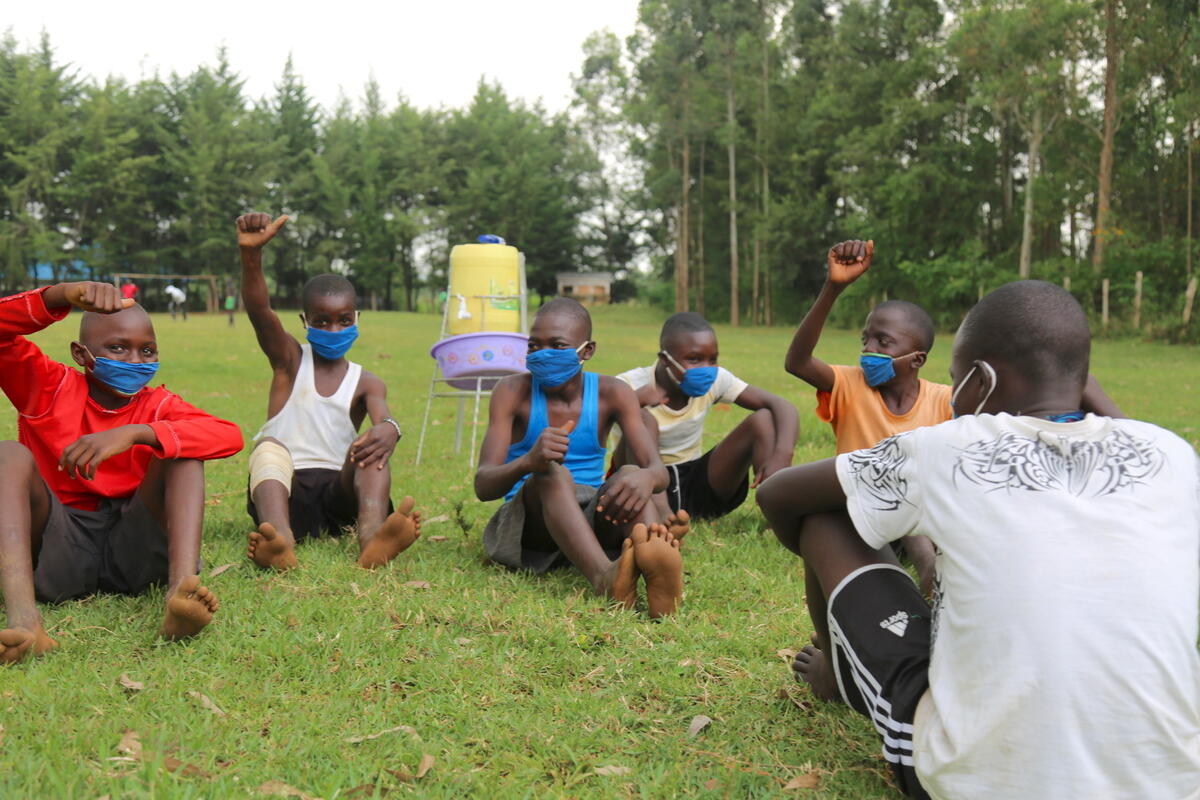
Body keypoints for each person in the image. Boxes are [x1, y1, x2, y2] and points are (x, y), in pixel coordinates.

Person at [759, 280, 1200, 799]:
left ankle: (842, 673)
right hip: (1171, 781)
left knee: (824, 515)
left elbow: (779, 496)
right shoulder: (1174, 457)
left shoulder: (948, 445)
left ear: (981, 379)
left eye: (955, 381)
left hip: (974, 777)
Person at [785, 239, 1123, 594]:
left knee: (930, 492)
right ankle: (929, 570)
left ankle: (940, 561)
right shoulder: (848, 383)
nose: (869, 350)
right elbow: (798, 363)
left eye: (883, 343)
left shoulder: (947, 399)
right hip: (862, 512)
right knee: (906, 487)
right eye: (865, 340)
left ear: (916, 359)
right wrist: (833, 287)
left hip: (922, 523)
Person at [0, 281, 243, 664]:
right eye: (117, 348)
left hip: (136, 551)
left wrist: (138, 433)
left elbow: (229, 435)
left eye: (147, 351)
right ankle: (26, 622)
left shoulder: (160, 405)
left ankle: (180, 595)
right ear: (81, 353)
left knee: (182, 449)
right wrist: (59, 296)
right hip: (61, 546)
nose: (134, 360)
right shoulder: (47, 387)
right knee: (8, 456)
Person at [475, 297, 684, 618]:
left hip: (590, 520)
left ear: (587, 351)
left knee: (630, 474)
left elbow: (658, 472)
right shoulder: (512, 391)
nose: (542, 355)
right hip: (529, 527)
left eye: (557, 346)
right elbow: (483, 485)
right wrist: (528, 461)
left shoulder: (612, 392)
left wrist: (642, 477)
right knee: (552, 473)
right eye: (534, 346)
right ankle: (604, 576)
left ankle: (657, 576)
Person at [236, 212, 420, 571]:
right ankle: (281, 542)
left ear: (357, 319)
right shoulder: (288, 360)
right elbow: (259, 310)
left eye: (343, 320)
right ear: (304, 322)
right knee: (268, 448)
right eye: (321, 321)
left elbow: (382, 417)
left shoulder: (367, 381)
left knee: (371, 449)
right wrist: (251, 256)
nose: (333, 329)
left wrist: (389, 429)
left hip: (341, 495)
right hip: (287, 495)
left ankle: (372, 537)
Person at [611, 312, 798, 524]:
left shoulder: (715, 379)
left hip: (696, 483)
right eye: (694, 359)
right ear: (665, 360)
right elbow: (592, 420)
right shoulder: (628, 385)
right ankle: (660, 518)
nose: (707, 368)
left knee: (763, 419)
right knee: (643, 418)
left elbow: (782, 406)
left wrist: (782, 454)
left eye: (713, 359)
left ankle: (779, 515)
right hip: (642, 486)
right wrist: (633, 402)